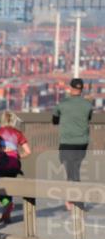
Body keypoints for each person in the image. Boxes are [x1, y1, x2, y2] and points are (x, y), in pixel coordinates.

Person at [52, 77, 94, 211]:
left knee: (71, 173)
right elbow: (88, 119)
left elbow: (54, 120)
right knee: (75, 171)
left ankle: (75, 201)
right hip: (82, 143)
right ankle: (73, 200)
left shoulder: (62, 103)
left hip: (67, 143)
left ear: (70, 88)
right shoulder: (88, 105)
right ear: (81, 90)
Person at [0, 112, 31, 224]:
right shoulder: (18, 133)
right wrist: (18, 156)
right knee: (9, 187)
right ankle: (6, 216)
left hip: (2, 163)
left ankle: (7, 204)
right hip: (14, 164)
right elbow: (28, 152)